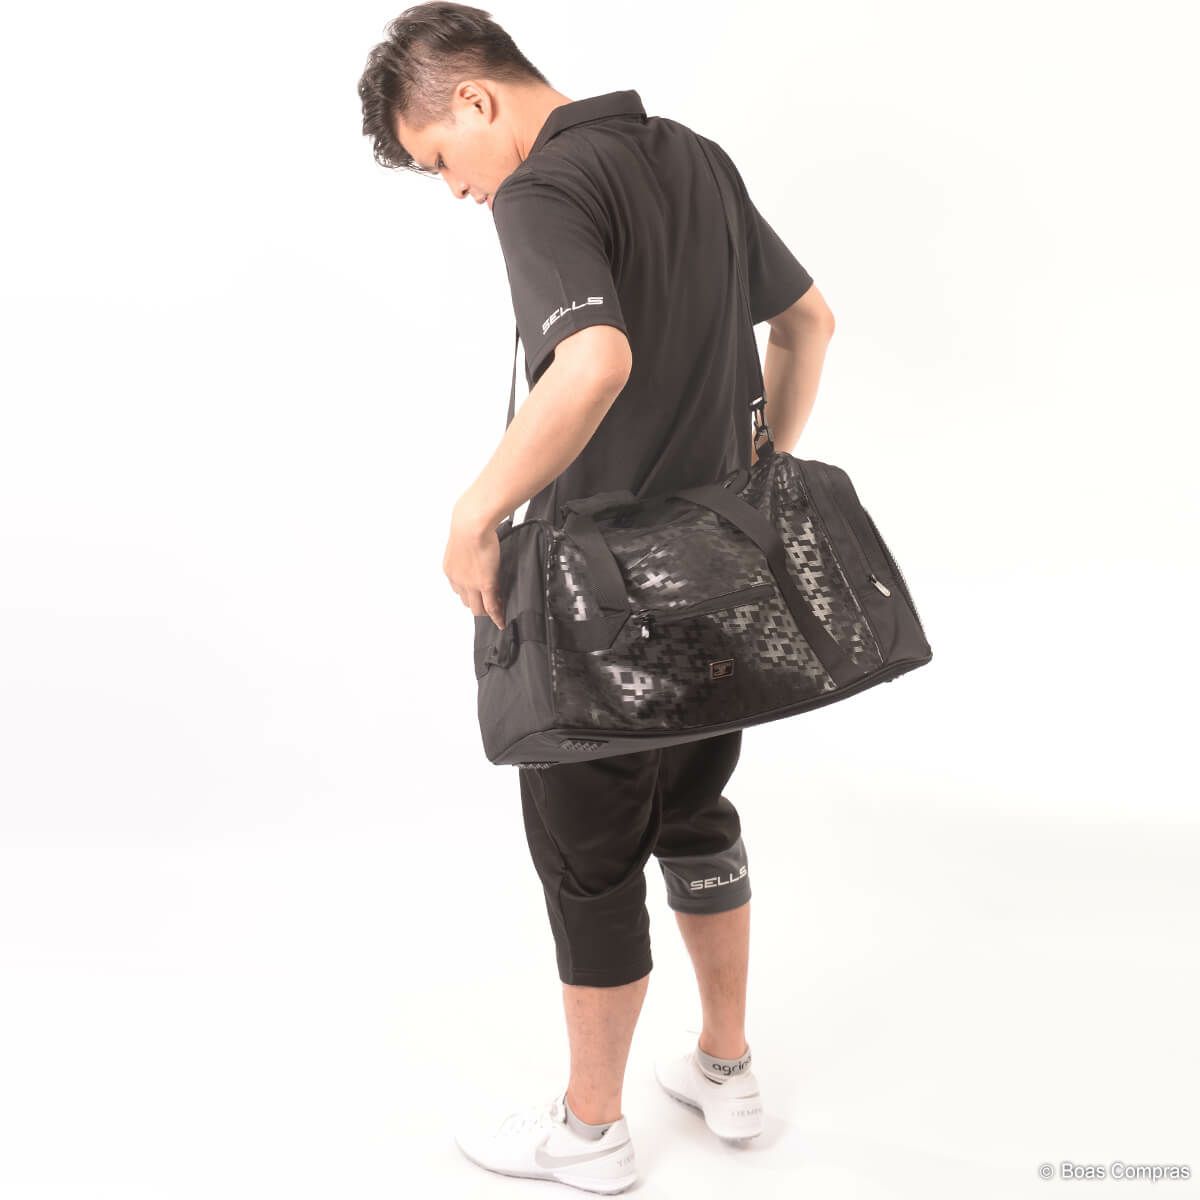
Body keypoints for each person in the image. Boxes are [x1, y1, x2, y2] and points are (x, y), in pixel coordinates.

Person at [358, 3, 835, 1191]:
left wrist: (473, 513)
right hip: (716, 574)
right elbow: (808, 322)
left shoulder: (542, 189)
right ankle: (726, 1069)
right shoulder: (697, 158)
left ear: (474, 98)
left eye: (439, 159)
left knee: (589, 861)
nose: (457, 190)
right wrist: (756, 476)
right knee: (696, 812)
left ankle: (591, 1132)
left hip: (600, 600)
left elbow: (595, 359)